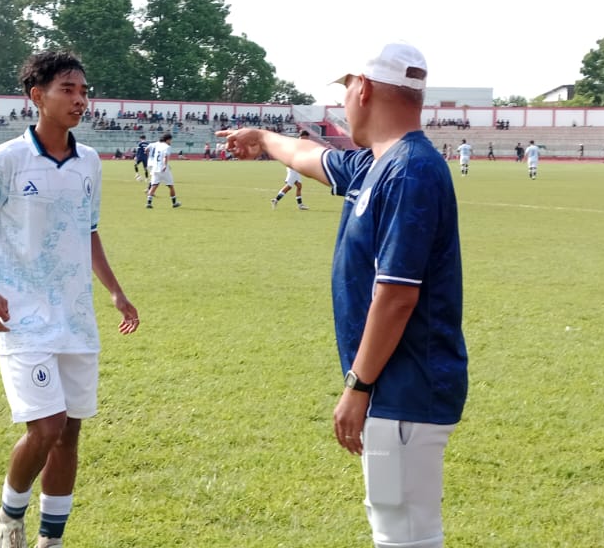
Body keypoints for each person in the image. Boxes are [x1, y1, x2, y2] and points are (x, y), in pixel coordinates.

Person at [218, 41, 466, 548]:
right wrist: (264, 137)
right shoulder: (380, 164)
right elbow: (311, 156)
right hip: (397, 382)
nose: (343, 102)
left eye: (345, 89)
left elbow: (397, 296)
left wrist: (358, 383)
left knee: (405, 530)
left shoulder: (410, 170)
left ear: (364, 88)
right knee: (397, 524)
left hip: (405, 381)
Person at [0, 50, 139, 548]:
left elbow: (89, 231)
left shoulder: (90, 162)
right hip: (23, 318)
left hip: (77, 318)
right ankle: (9, 514)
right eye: (68, 90)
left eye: (84, 91)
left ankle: (50, 541)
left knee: (70, 434)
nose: (80, 99)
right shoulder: (4, 161)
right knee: (47, 426)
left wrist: (117, 293)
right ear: (37, 97)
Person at [272, 130, 312, 210]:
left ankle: (300, 205)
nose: (307, 139)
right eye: (306, 138)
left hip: (296, 167)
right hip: (293, 167)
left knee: (299, 186)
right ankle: (275, 200)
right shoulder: (297, 144)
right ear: (303, 137)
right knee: (289, 186)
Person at [144, 134, 180, 209]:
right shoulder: (167, 147)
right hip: (163, 169)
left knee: (154, 186)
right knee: (171, 186)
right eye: (170, 140)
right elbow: (165, 156)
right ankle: (174, 203)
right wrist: (165, 165)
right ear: (167, 140)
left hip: (155, 168)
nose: (171, 142)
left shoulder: (158, 145)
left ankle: (148, 203)